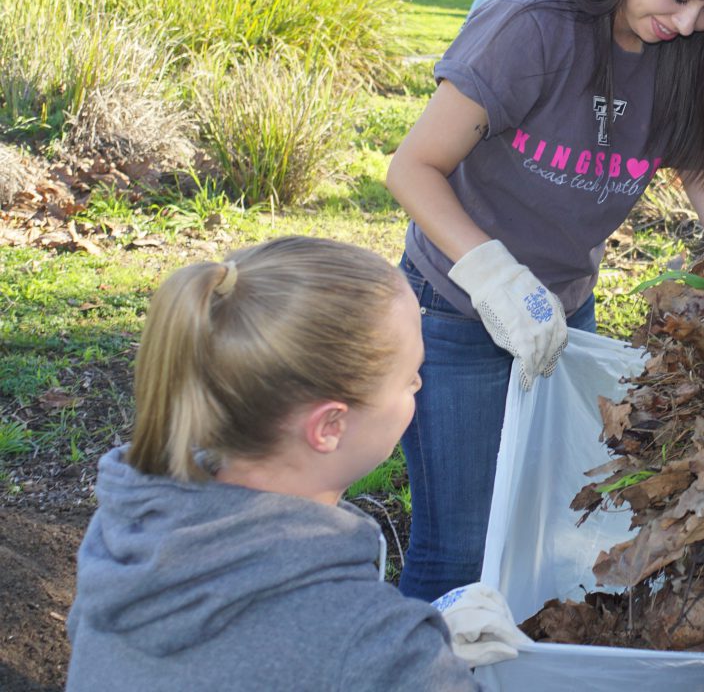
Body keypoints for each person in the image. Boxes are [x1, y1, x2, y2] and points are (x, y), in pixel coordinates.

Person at [386, 0, 704, 602]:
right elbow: (413, 168)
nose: (689, 24)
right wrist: (495, 276)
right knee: (461, 544)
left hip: (563, 317)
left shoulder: (685, 64)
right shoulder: (535, 25)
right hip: (455, 310)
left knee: (541, 529)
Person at [65, 237, 486, 691]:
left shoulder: (126, 531)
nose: (419, 386)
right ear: (329, 427)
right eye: (408, 379)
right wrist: (429, 660)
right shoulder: (380, 647)